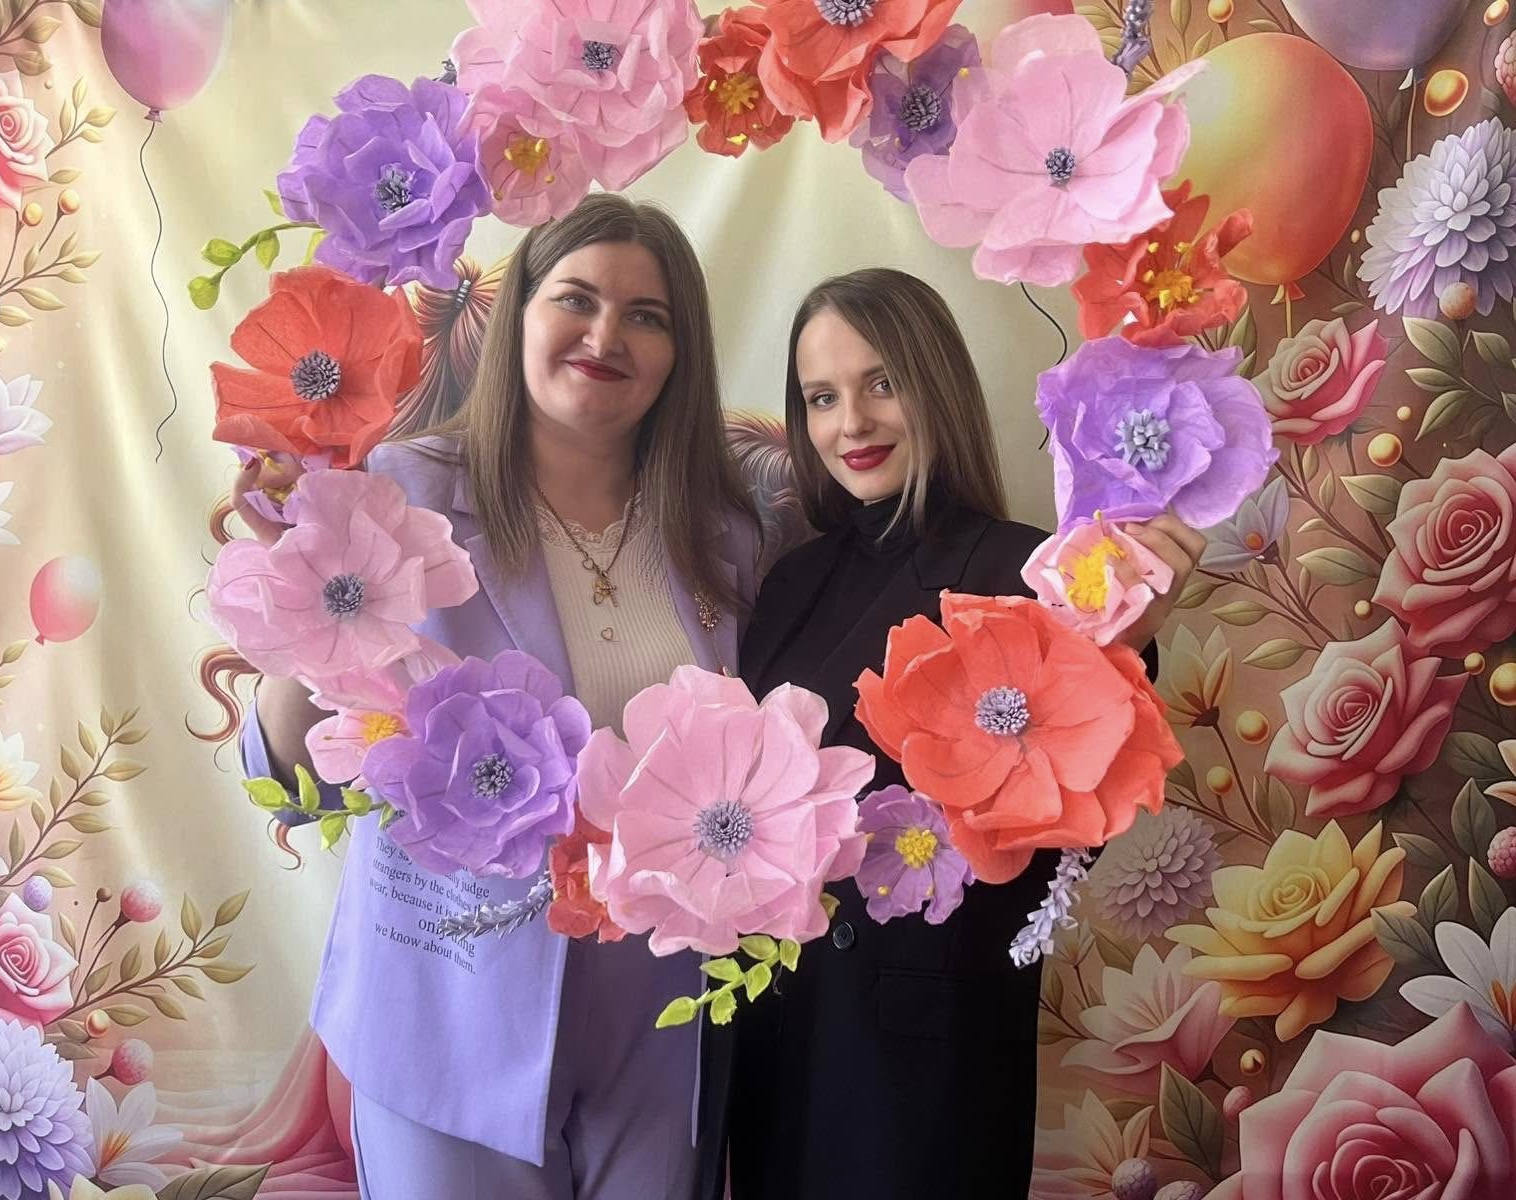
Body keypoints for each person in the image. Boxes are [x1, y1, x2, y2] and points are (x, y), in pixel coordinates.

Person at [236, 193, 760, 1198]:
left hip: (661, 1014)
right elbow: (294, 778)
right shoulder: (399, 489)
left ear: (680, 353)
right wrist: (308, 611)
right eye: (577, 299)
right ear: (518, 312)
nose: (606, 335)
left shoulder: (724, 530)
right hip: (449, 1002)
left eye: (647, 316)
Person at [698, 268, 1205, 1199]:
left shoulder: (1028, 571)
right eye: (822, 397)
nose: (852, 422)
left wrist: (1122, 641)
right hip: (779, 1026)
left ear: (935, 383)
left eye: (881, 383)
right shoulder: (791, 582)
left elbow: (1080, 809)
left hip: (926, 1055)